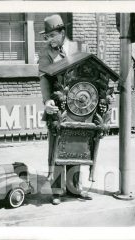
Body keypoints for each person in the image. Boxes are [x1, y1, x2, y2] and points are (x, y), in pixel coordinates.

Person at [38, 14, 92, 205]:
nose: (49, 40)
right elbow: (44, 78)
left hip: (79, 106)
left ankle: (75, 186)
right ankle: (57, 190)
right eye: (47, 37)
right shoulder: (46, 53)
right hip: (57, 106)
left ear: (62, 33)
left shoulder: (79, 48)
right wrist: (46, 101)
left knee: (77, 144)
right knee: (57, 148)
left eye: (52, 35)